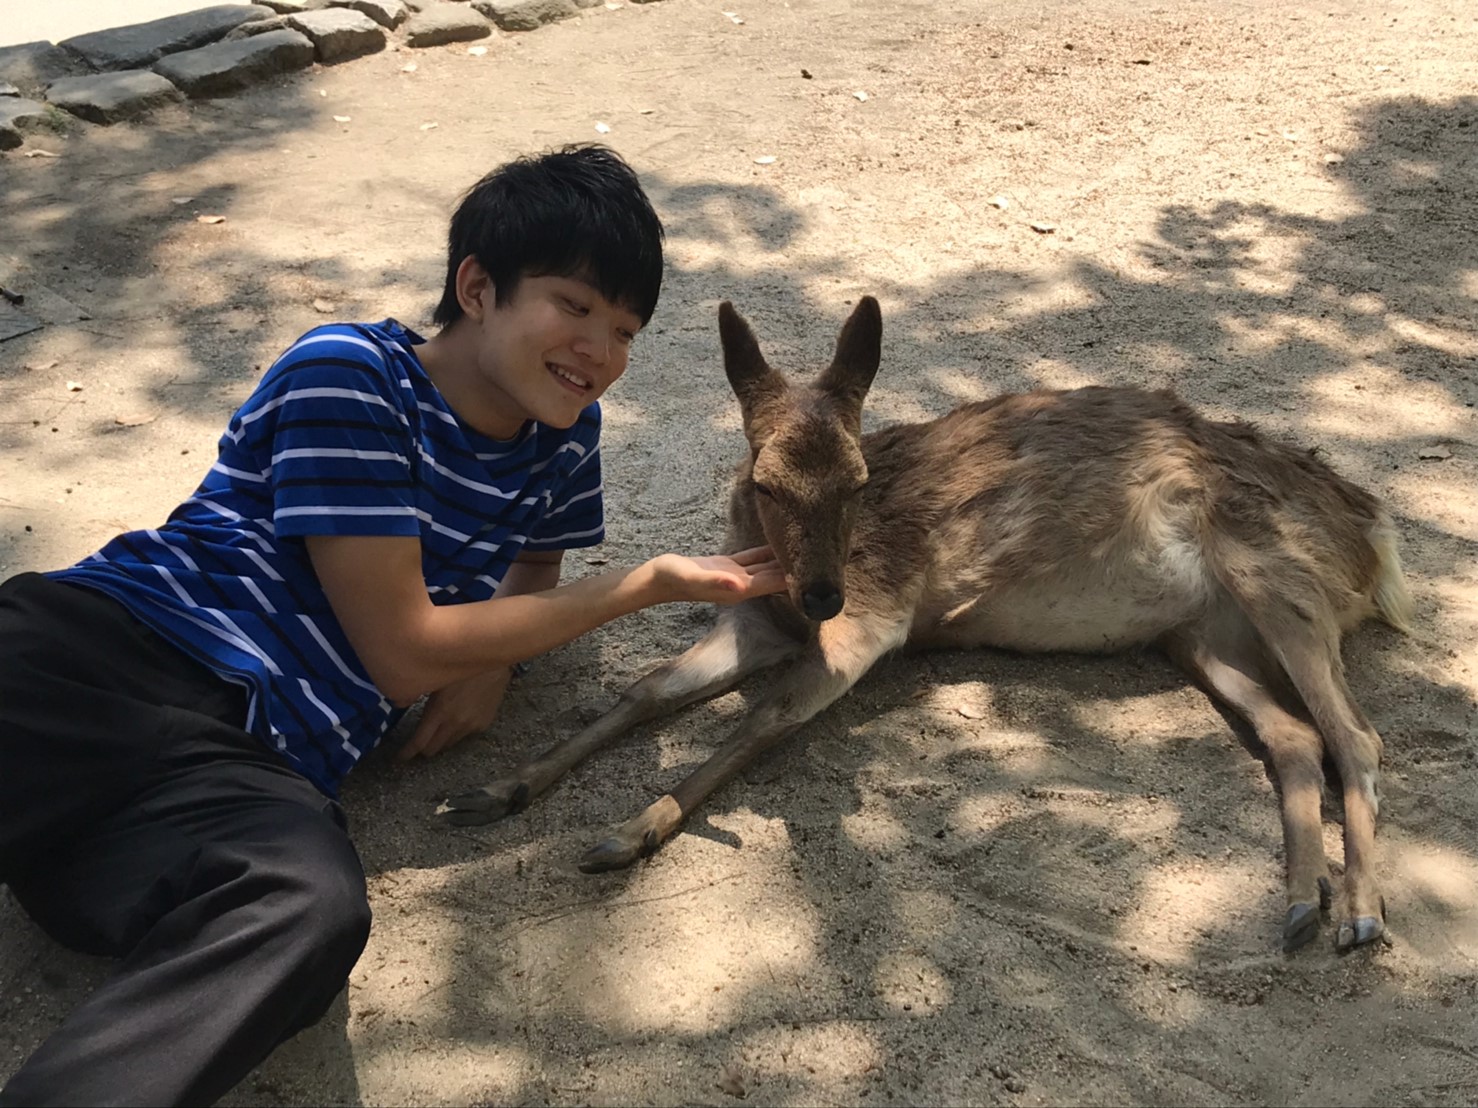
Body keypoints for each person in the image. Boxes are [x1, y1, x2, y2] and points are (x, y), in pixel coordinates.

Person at [0, 144, 785, 1107]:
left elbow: (537, 557)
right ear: (477, 285)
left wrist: (494, 662)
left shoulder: (563, 437)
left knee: (308, 905)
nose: (601, 352)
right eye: (575, 307)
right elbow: (403, 652)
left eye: (625, 330)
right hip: (109, 652)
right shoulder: (354, 375)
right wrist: (641, 588)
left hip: (250, 764)